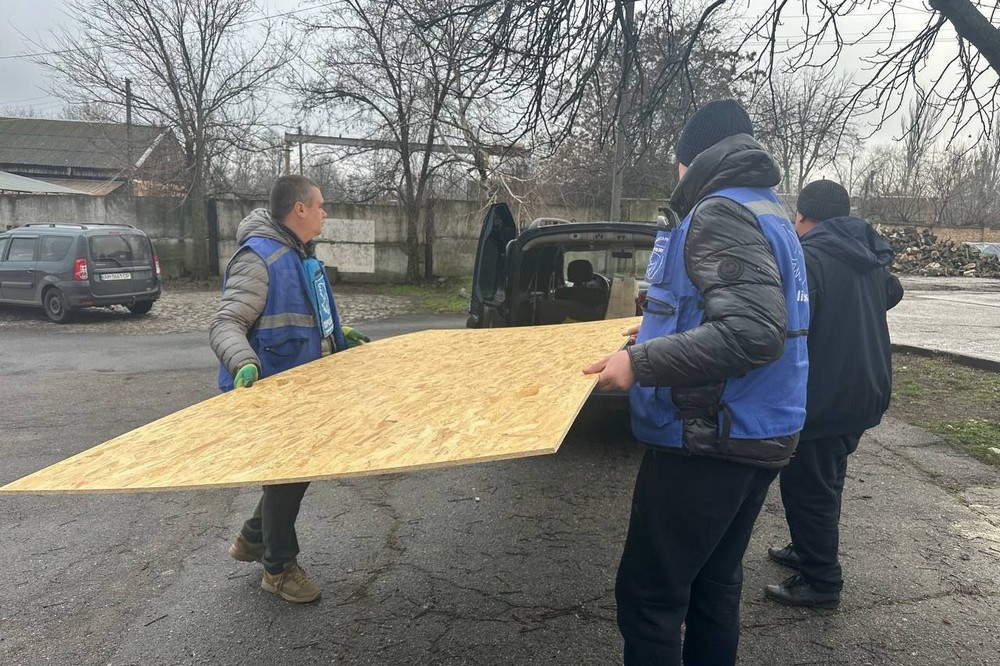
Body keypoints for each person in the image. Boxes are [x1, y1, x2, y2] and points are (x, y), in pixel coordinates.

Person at [584, 98, 810, 666]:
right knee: (713, 584)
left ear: (689, 162)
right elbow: (760, 310)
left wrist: (639, 365)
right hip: (756, 428)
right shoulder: (767, 210)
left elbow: (755, 332)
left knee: (650, 599)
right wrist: (659, 328)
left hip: (706, 438)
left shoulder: (718, 212)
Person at [209, 175, 369, 604]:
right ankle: (278, 569)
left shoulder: (302, 255)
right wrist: (242, 363)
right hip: (272, 395)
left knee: (293, 478)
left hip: (306, 393)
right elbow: (226, 323)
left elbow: (302, 316)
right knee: (286, 480)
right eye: (320, 205)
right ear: (299, 209)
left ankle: (252, 539)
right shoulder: (258, 258)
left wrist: (337, 333)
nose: (325, 212)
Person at [764, 179, 903, 609]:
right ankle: (808, 550)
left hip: (826, 396)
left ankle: (821, 582)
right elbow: (893, 292)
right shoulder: (868, 256)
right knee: (827, 481)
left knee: (809, 488)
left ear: (804, 217)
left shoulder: (810, 259)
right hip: (864, 390)